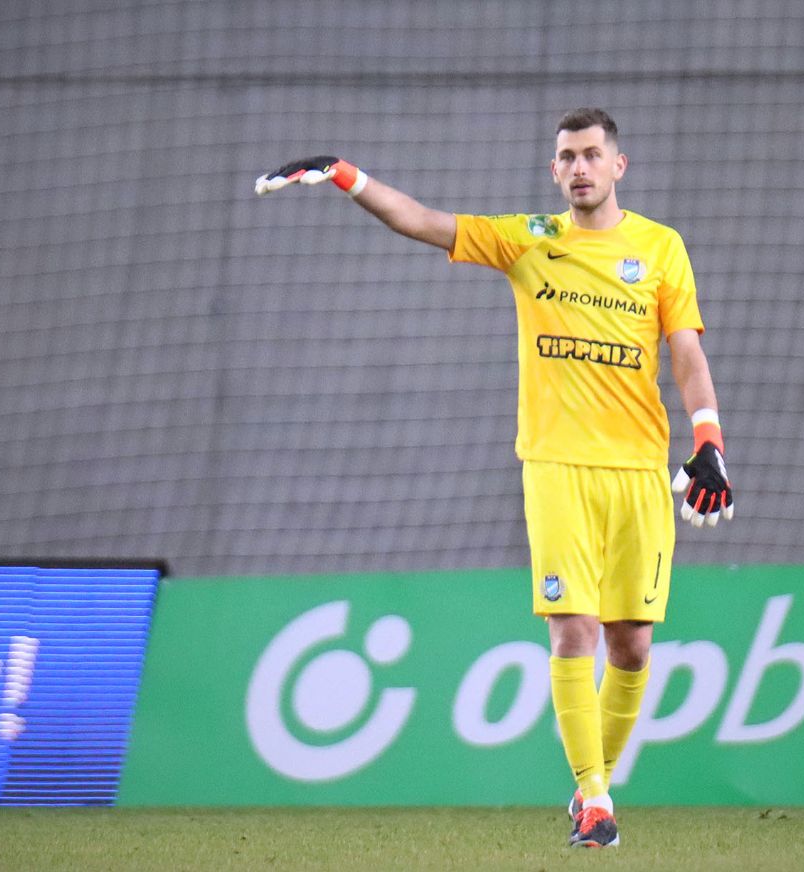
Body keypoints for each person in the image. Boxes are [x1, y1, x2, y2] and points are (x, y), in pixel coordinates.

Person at [256, 108, 734, 848]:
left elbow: (687, 353)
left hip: (638, 469)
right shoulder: (529, 239)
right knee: (573, 629)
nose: (579, 167)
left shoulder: (660, 247)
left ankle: (592, 786)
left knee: (632, 646)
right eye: (567, 157)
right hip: (556, 466)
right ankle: (597, 801)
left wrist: (709, 440)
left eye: (592, 155)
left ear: (618, 166)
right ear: (554, 171)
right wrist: (348, 176)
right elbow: (422, 221)